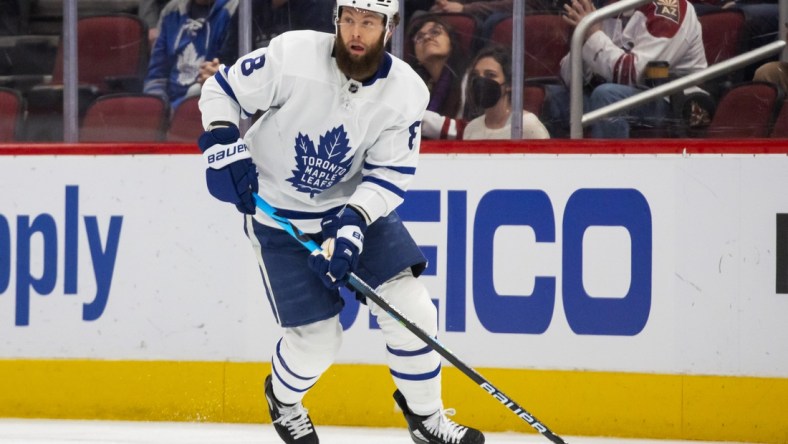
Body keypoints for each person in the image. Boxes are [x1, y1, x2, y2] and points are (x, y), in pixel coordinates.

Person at [196, 1, 486, 443]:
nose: (356, 31)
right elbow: (222, 90)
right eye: (348, 18)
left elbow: (389, 174)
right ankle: (284, 399)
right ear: (336, 19)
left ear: (388, 29)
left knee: (414, 310)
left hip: (350, 210)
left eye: (369, 22)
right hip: (278, 217)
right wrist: (221, 140)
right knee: (317, 343)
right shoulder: (292, 55)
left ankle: (426, 419)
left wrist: (353, 223)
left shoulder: (406, 91)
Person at [542, 0, 707, 138]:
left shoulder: (670, 8)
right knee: (555, 98)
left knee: (607, 95)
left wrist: (593, 36)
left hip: (671, 101)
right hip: (621, 92)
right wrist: (583, 37)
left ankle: (610, 172)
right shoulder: (609, 7)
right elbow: (569, 79)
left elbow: (632, 74)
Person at [142, 0, 237, 111]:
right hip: (169, 111)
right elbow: (156, 77)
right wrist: (159, 109)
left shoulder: (233, 11)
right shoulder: (171, 11)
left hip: (208, 109)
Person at [463, 45, 550, 139]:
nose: (481, 81)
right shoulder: (471, 129)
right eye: (476, 75)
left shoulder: (527, 125)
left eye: (490, 75)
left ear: (510, 84)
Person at [406, 14, 470, 138]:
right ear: (416, 56)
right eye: (419, 37)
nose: (427, 38)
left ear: (451, 42)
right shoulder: (415, 88)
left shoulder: (468, 78)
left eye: (435, 32)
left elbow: (472, 130)